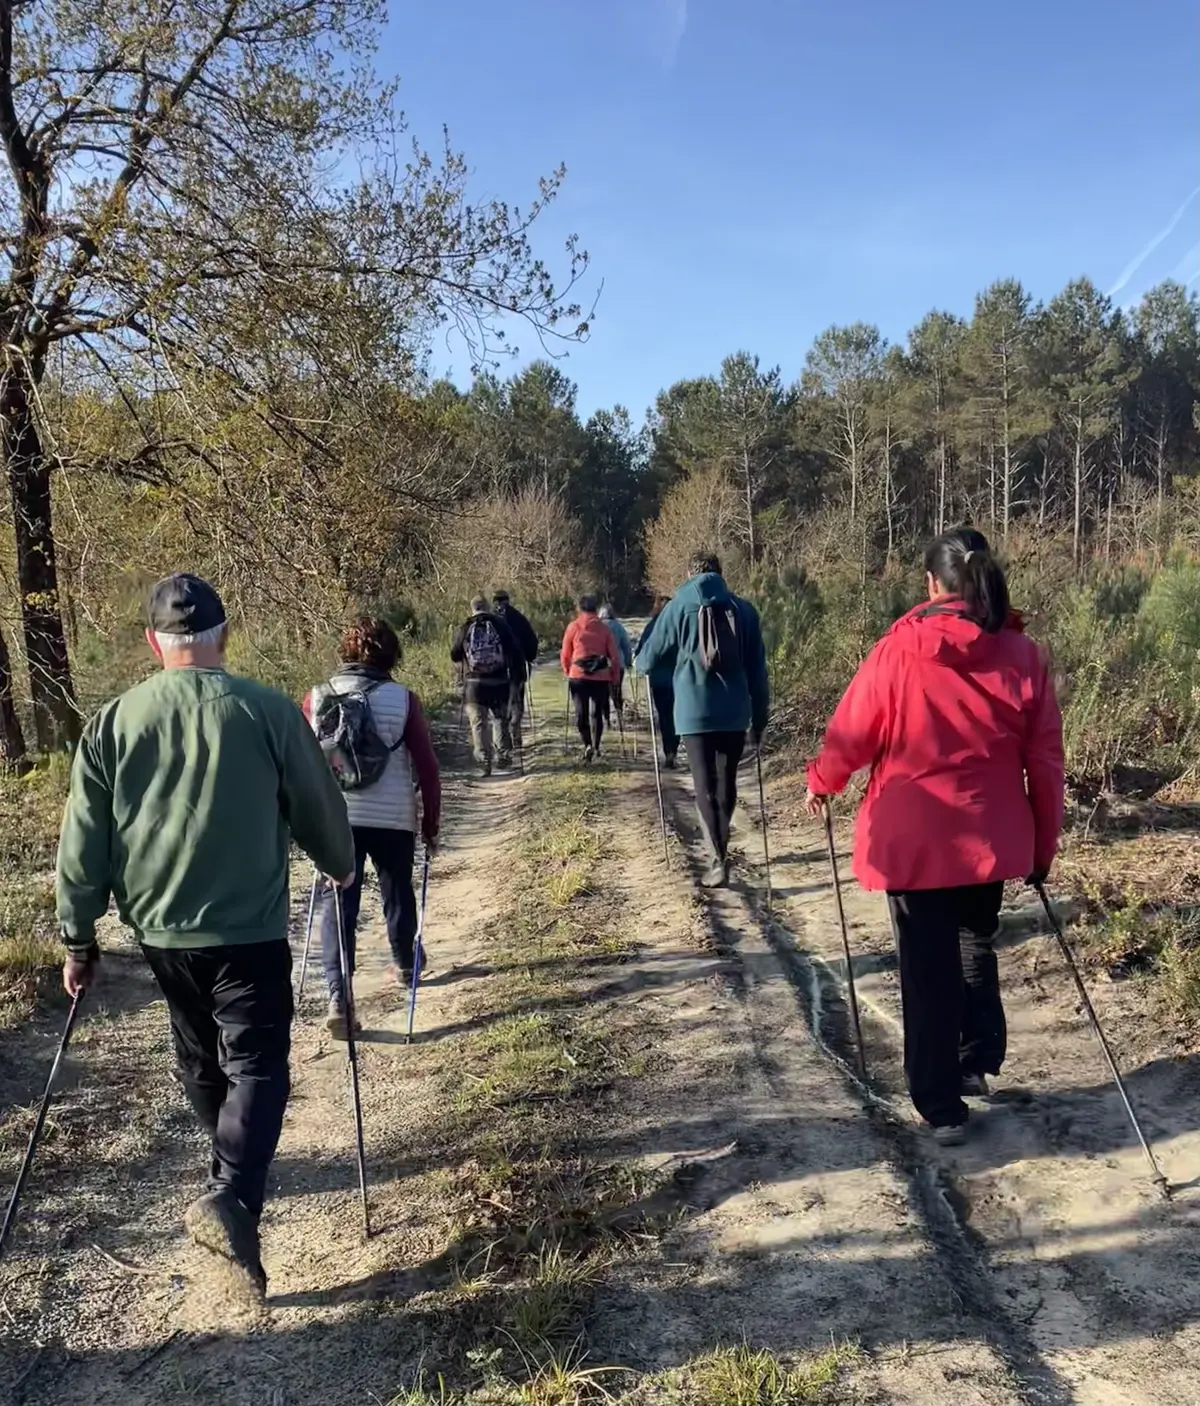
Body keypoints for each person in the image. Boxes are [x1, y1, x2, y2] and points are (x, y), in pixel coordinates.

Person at [56, 574, 354, 1299]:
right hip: (248, 926)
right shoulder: (266, 712)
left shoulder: (114, 722)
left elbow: (84, 837)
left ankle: (227, 1177)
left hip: (161, 929)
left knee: (198, 1054)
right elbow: (316, 804)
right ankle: (232, 1193)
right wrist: (340, 865)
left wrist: (78, 935)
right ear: (223, 636)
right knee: (257, 1063)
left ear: (155, 643)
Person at [805, 527, 1064, 1147]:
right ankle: (975, 1059)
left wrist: (822, 782)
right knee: (976, 942)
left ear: (932, 583)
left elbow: (851, 734)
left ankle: (941, 1104)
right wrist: (1042, 846)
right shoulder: (1024, 655)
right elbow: (1046, 760)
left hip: (915, 837)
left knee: (927, 967)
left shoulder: (899, 650)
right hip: (990, 836)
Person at [303, 617, 441, 1039]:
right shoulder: (403, 700)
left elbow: (300, 766)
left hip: (335, 818)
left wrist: (301, 821)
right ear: (391, 655)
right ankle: (404, 963)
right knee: (397, 891)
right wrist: (430, 824)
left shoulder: (318, 696)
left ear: (344, 651)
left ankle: (338, 995)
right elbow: (428, 769)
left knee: (337, 902)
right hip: (393, 817)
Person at [635, 553, 769, 887]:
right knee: (727, 783)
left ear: (689, 573)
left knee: (704, 787)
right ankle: (722, 847)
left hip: (693, 714)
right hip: (735, 712)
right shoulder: (744, 610)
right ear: (720, 573)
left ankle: (718, 858)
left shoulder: (678, 607)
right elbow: (758, 673)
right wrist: (760, 720)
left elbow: (648, 659)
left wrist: (658, 666)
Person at [451, 596, 522, 776]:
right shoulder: (500, 625)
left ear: (472, 608)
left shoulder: (466, 627)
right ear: (488, 607)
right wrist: (516, 676)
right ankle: (503, 754)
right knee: (500, 719)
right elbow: (514, 651)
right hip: (499, 683)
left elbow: (455, 654)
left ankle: (484, 761)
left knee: (479, 723)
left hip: (474, 685)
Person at [560, 593, 621, 762]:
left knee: (581, 713)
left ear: (579, 608)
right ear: (596, 609)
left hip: (578, 675)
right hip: (600, 676)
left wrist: (567, 670)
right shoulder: (604, 629)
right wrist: (615, 676)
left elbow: (565, 653)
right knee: (597, 713)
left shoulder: (573, 627)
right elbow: (614, 656)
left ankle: (586, 744)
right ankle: (596, 746)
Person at [634, 594, 679, 769]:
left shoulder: (652, 627)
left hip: (659, 680)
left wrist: (641, 665)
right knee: (676, 715)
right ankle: (673, 750)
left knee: (664, 716)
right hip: (679, 679)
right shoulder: (680, 625)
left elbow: (641, 653)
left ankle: (669, 750)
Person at [492, 589, 539, 734]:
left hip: (495, 669)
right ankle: (515, 733)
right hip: (517, 667)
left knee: (500, 703)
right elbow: (532, 641)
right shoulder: (519, 618)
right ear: (508, 600)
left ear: (495, 601)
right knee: (516, 700)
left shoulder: (490, 619)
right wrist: (529, 658)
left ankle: (502, 739)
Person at [598, 603, 633, 712]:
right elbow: (626, 646)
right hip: (618, 663)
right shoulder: (618, 626)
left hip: (601, 664)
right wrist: (628, 662)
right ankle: (619, 714)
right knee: (617, 691)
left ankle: (607, 719)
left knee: (603, 693)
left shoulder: (598, 627)